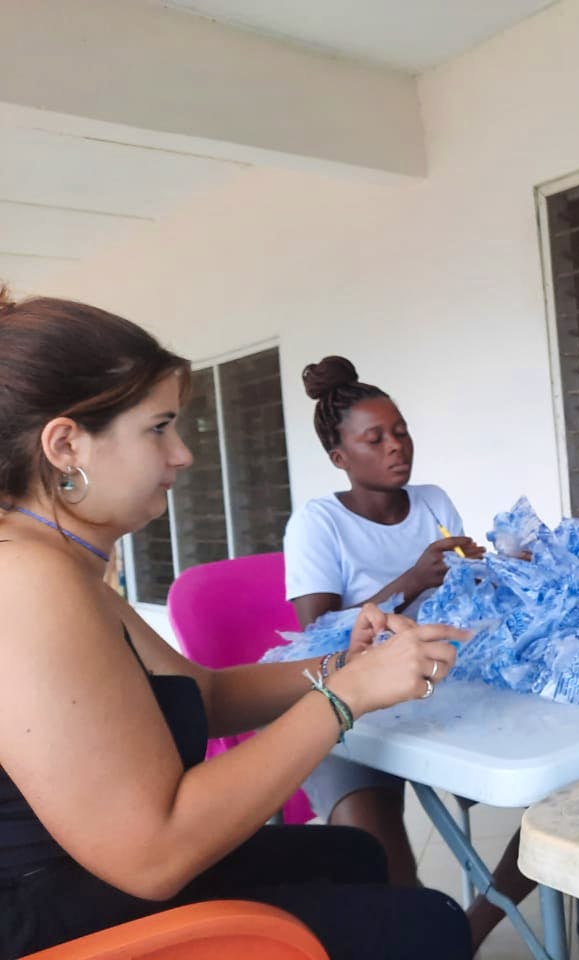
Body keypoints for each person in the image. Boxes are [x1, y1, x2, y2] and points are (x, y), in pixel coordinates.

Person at [0, 291, 472, 960]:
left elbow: (208, 695)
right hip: (52, 912)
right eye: (159, 427)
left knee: (356, 855)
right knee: (433, 925)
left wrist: (347, 663)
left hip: (92, 871)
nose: (183, 455)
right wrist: (346, 699)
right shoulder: (26, 581)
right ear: (66, 444)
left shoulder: (60, 566)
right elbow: (154, 854)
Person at [284, 356, 534, 949]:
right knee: (383, 867)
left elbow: (462, 598)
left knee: (550, 800)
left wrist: (500, 570)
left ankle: (473, 928)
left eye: (401, 431)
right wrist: (412, 579)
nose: (397, 447)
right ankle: (425, 938)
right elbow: (315, 629)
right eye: (375, 438)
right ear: (340, 457)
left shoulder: (432, 500)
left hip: (439, 686)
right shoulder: (318, 524)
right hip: (350, 705)